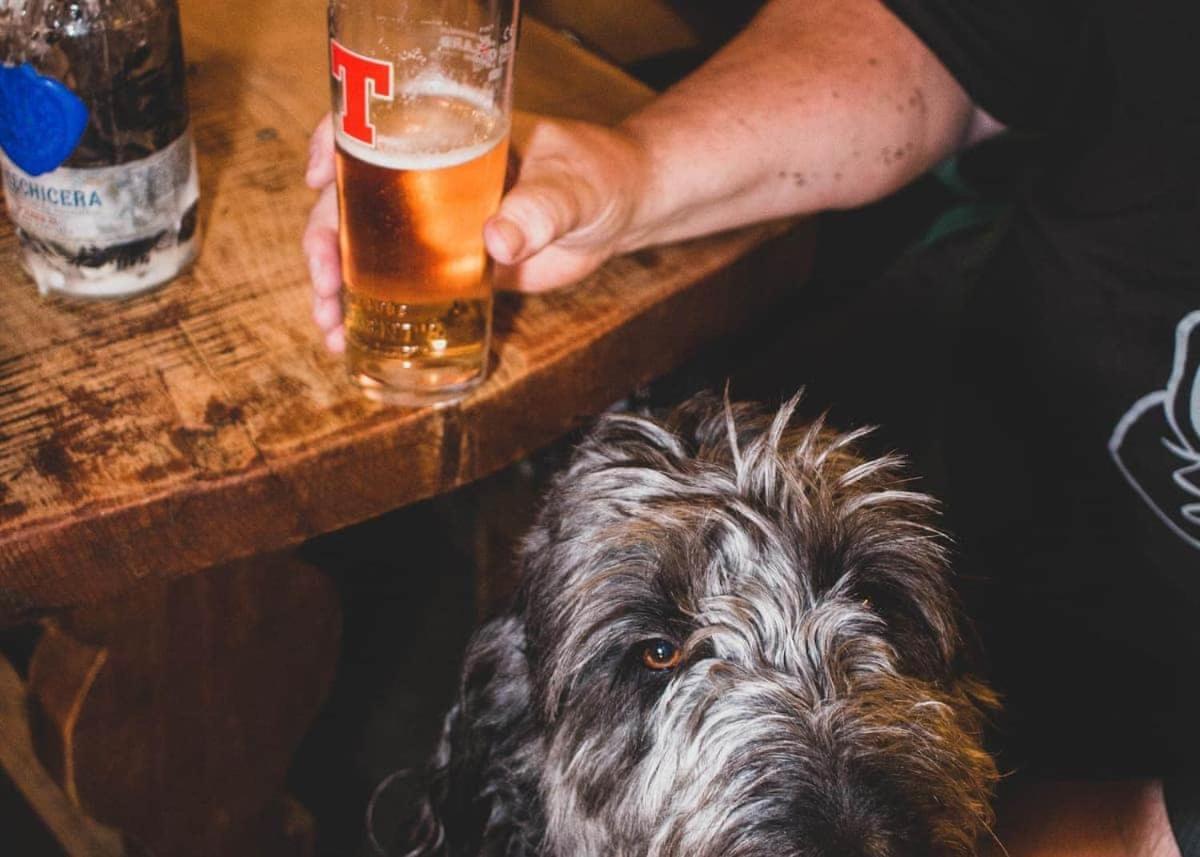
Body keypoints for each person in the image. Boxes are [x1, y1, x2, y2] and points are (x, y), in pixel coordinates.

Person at [303, 0, 1199, 854]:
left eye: (874, 607)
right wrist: (631, 168)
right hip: (1050, 544)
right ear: (519, 745)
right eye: (661, 654)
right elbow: (957, 29)